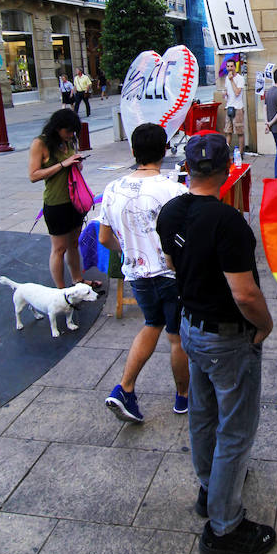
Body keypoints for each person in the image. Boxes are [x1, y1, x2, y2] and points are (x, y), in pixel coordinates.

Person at [157, 133, 275, 554]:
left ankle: (210, 489)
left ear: (188, 170)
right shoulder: (228, 224)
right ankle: (224, 527)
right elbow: (244, 294)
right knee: (237, 428)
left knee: (204, 415)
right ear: (228, 171)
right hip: (226, 337)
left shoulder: (170, 212)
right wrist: (265, 325)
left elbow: (173, 264)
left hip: (191, 327)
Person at [99, 123, 189, 423]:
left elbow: (103, 238)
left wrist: (127, 250)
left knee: (151, 324)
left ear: (133, 151)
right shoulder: (175, 190)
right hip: (171, 275)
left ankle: (125, 388)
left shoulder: (112, 189)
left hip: (137, 275)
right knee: (176, 337)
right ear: (165, 150)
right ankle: (183, 397)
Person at [28, 109, 102, 291]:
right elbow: (33, 175)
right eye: (68, 131)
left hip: (74, 201)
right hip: (56, 203)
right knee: (59, 248)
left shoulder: (68, 142)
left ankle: (77, 280)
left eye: (73, 132)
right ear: (57, 128)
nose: (71, 135)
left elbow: (73, 168)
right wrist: (62, 164)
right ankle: (61, 291)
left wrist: (77, 163)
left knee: (74, 244)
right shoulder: (41, 143)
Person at [223, 58, 245, 155]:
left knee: (239, 132)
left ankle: (240, 153)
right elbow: (228, 92)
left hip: (238, 108)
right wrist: (225, 94)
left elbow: (237, 92)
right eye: (228, 66)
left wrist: (232, 80)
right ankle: (226, 152)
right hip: (229, 107)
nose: (229, 68)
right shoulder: (226, 78)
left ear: (235, 67)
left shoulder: (240, 78)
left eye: (231, 66)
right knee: (228, 131)